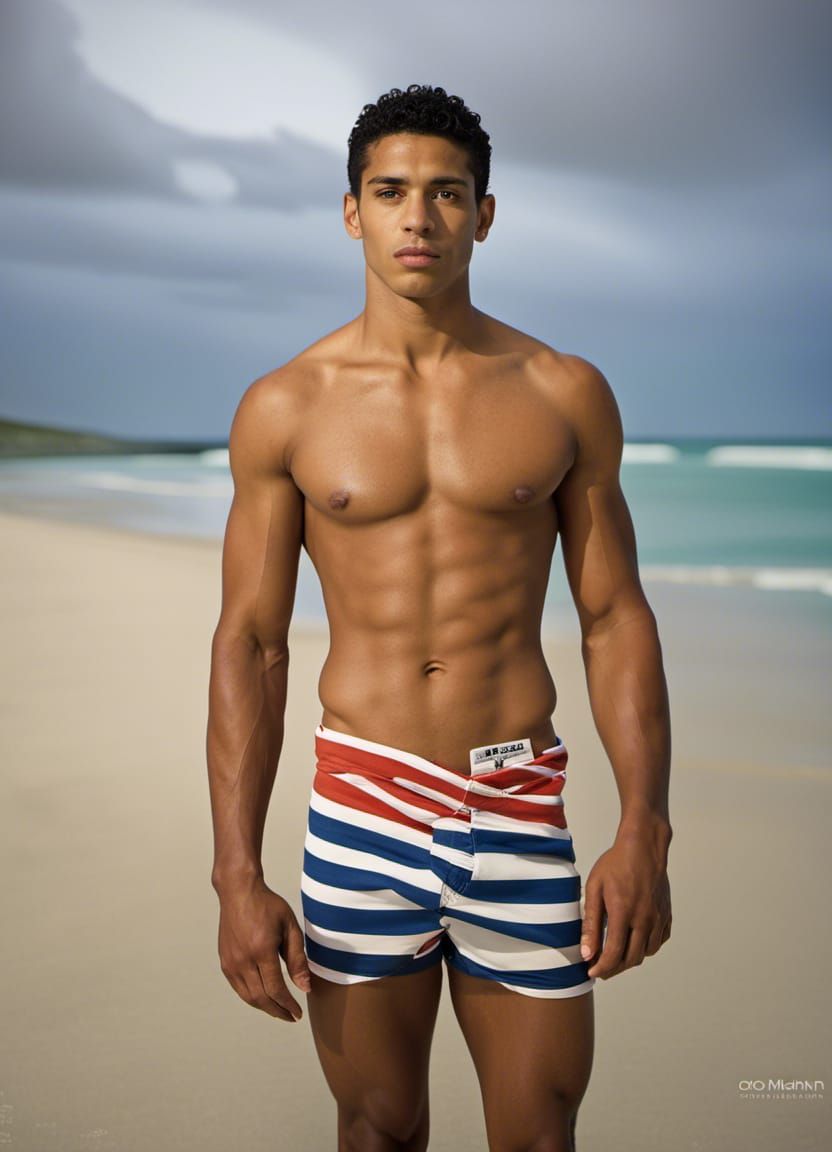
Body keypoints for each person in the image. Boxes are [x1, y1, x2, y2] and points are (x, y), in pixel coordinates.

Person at [206, 83, 672, 1152]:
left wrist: (643, 826)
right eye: (391, 192)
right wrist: (237, 873)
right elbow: (253, 642)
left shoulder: (562, 391)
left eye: (446, 194)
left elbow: (614, 617)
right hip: (363, 801)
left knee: (541, 1131)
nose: (418, 219)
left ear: (485, 212)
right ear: (351, 211)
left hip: (516, 799)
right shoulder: (287, 404)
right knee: (376, 1125)